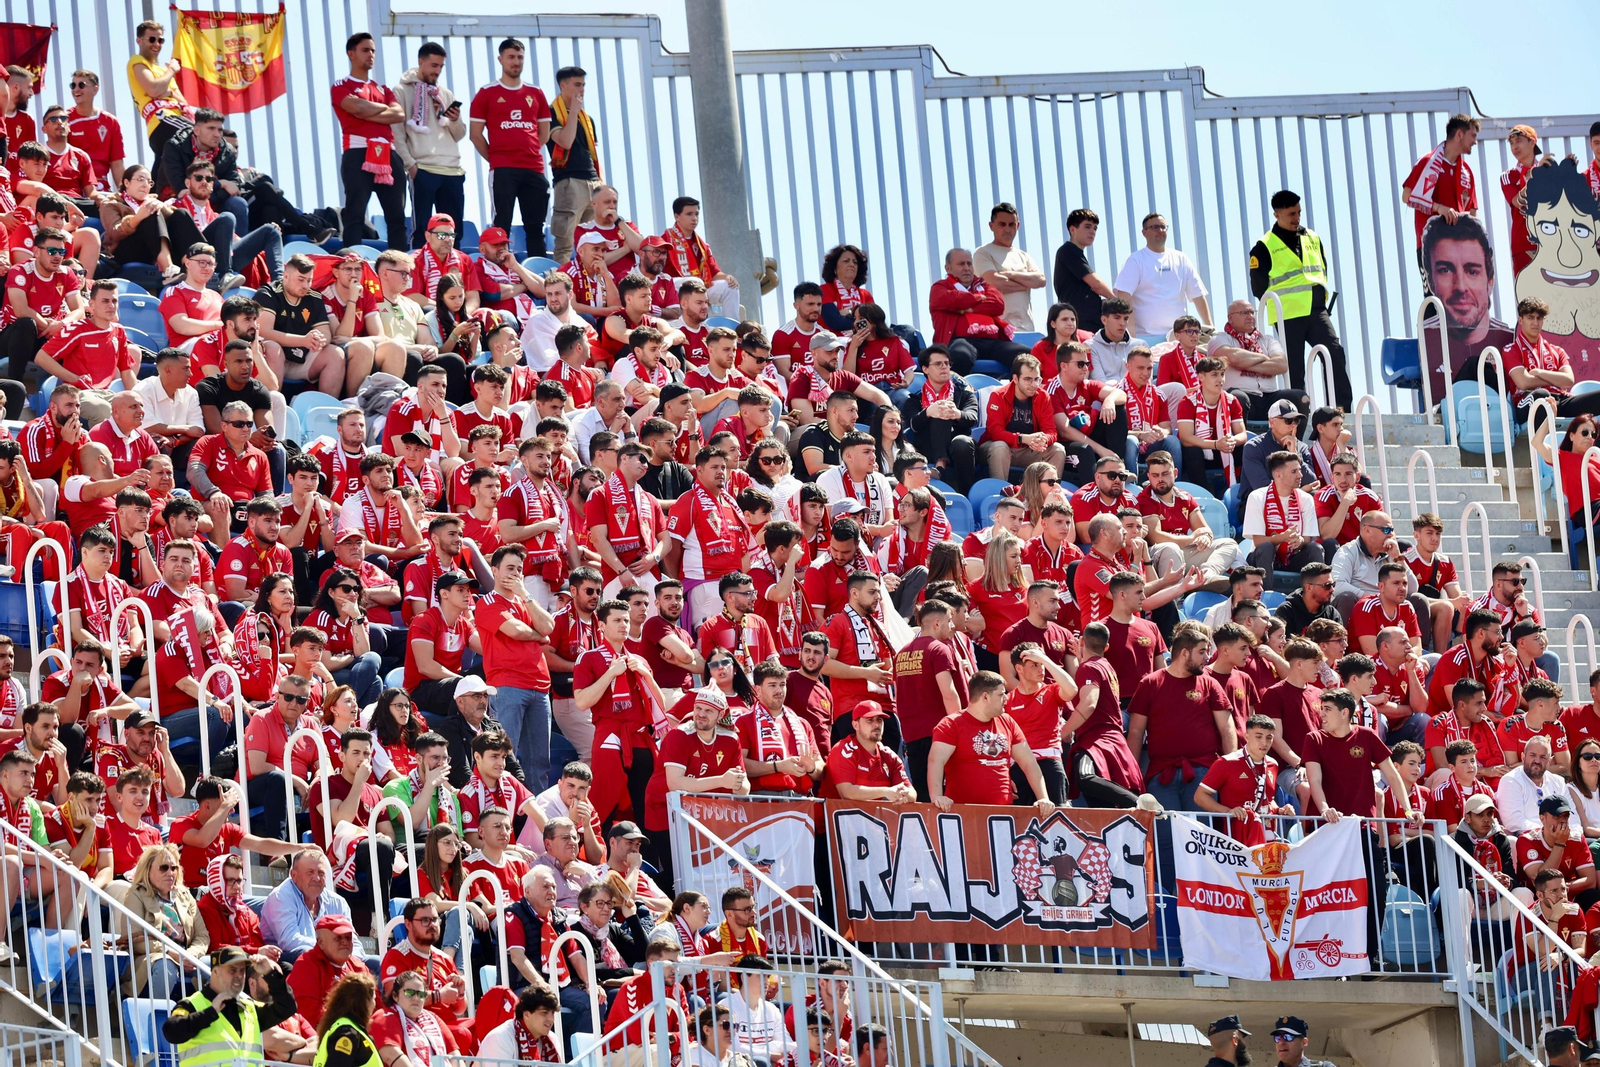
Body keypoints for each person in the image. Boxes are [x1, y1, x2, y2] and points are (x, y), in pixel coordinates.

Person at [1248, 190, 1351, 410]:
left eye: (1299, 212)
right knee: (1294, 369)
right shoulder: (1264, 246)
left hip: (1316, 311)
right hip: (1287, 315)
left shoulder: (1313, 237)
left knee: (1334, 354)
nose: (1297, 218)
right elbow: (1258, 288)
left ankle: (1340, 411)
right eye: (1291, 214)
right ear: (1277, 214)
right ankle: (1298, 412)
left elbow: (1321, 270)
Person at [163, 947, 298, 1064]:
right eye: (232, 970)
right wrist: (210, 1013)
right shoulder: (191, 1004)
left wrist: (270, 974)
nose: (239, 976)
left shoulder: (250, 1007)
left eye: (242, 971)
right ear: (215, 972)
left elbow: (287, 1007)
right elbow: (171, 1032)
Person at [332, 33, 405, 248]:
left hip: (389, 153)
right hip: (358, 152)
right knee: (355, 213)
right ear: (351, 53)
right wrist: (381, 109)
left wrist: (365, 111)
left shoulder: (383, 89)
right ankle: (352, 259)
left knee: (397, 217)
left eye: (373, 50)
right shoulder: (341, 85)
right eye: (365, 50)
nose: (371, 55)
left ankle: (399, 261)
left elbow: (399, 114)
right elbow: (356, 107)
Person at [1137, 451, 1237, 586]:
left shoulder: (1185, 497)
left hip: (1184, 550)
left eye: (1165, 474)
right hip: (1158, 554)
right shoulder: (1145, 499)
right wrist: (1192, 538)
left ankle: (1206, 575)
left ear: (1175, 473)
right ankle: (1177, 596)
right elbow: (1156, 537)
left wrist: (1206, 538)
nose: (1160, 479)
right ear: (1149, 476)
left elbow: (1205, 529)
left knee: (1228, 544)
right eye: (1155, 475)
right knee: (1171, 547)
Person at [124, 841, 208, 996]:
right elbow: (136, 939)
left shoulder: (184, 894)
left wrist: (191, 954)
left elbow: (202, 935)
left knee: (218, 966)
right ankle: (158, 1013)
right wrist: (171, 953)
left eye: (173, 868)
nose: (170, 872)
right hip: (153, 957)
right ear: (148, 870)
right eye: (163, 868)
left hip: (186, 956)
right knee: (166, 965)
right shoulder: (136, 895)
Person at [1112, 212, 1209, 337]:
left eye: (1163, 227)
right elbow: (1124, 295)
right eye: (1155, 227)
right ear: (1144, 232)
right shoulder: (1135, 260)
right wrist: (1131, 336)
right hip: (1146, 337)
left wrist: (1210, 329)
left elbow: (1198, 295)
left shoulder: (1181, 259)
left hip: (1178, 337)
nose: (1160, 230)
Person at [928, 247, 1023, 374]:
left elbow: (997, 305)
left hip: (992, 342)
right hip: (960, 341)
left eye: (969, 264)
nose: (966, 268)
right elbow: (952, 299)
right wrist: (977, 297)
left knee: (1025, 356)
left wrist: (968, 309)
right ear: (948, 268)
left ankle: (1016, 387)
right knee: (960, 355)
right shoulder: (940, 287)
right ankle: (958, 387)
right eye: (961, 264)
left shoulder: (984, 285)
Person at [900, 344, 979, 492]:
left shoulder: (965, 394)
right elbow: (912, 424)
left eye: (947, 363)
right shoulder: (915, 399)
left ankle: (961, 488)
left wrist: (956, 413)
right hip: (927, 447)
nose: (944, 367)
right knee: (938, 410)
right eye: (938, 364)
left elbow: (972, 417)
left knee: (961, 441)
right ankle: (940, 465)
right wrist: (928, 412)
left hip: (959, 447)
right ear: (925, 369)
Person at [978, 354, 1064, 480]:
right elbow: (995, 432)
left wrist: (1043, 439)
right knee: (1000, 447)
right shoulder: (998, 396)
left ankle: (1049, 489)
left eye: (1037, 379)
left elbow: (1051, 431)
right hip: (998, 448)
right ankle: (1000, 489)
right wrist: (1022, 438)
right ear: (1015, 378)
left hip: (1028, 450)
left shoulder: (1043, 396)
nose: (1034, 384)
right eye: (1028, 379)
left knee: (1058, 449)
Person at [1402, 113, 1480, 251]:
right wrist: (1439, 208)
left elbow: (1473, 213)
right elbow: (1407, 196)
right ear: (1459, 135)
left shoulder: (1467, 172)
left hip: (1459, 247)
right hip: (1431, 246)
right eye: (1472, 136)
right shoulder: (1427, 162)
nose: (1475, 141)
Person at [972, 202, 1044, 333]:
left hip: (1026, 329)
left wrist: (1009, 274)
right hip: (998, 330)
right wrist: (1027, 283)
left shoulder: (1024, 256)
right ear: (991, 226)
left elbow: (1040, 280)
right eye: (1002, 224)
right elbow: (996, 283)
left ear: (1018, 225)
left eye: (1011, 224)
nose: (1007, 229)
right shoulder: (983, 253)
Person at [1051, 208, 1112, 334]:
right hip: (1081, 323)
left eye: (1095, 228)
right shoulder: (1068, 250)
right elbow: (1096, 284)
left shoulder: (1074, 253)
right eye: (1087, 227)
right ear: (1072, 230)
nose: (1092, 232)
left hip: (1087, 321)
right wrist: (1116, 300)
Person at [479, 984, 561, 1063]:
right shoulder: (501, 1038)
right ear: (526, 1015)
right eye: (544, 1013)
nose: (551, 1019)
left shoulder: (552, 1039)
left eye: (552, 1013)